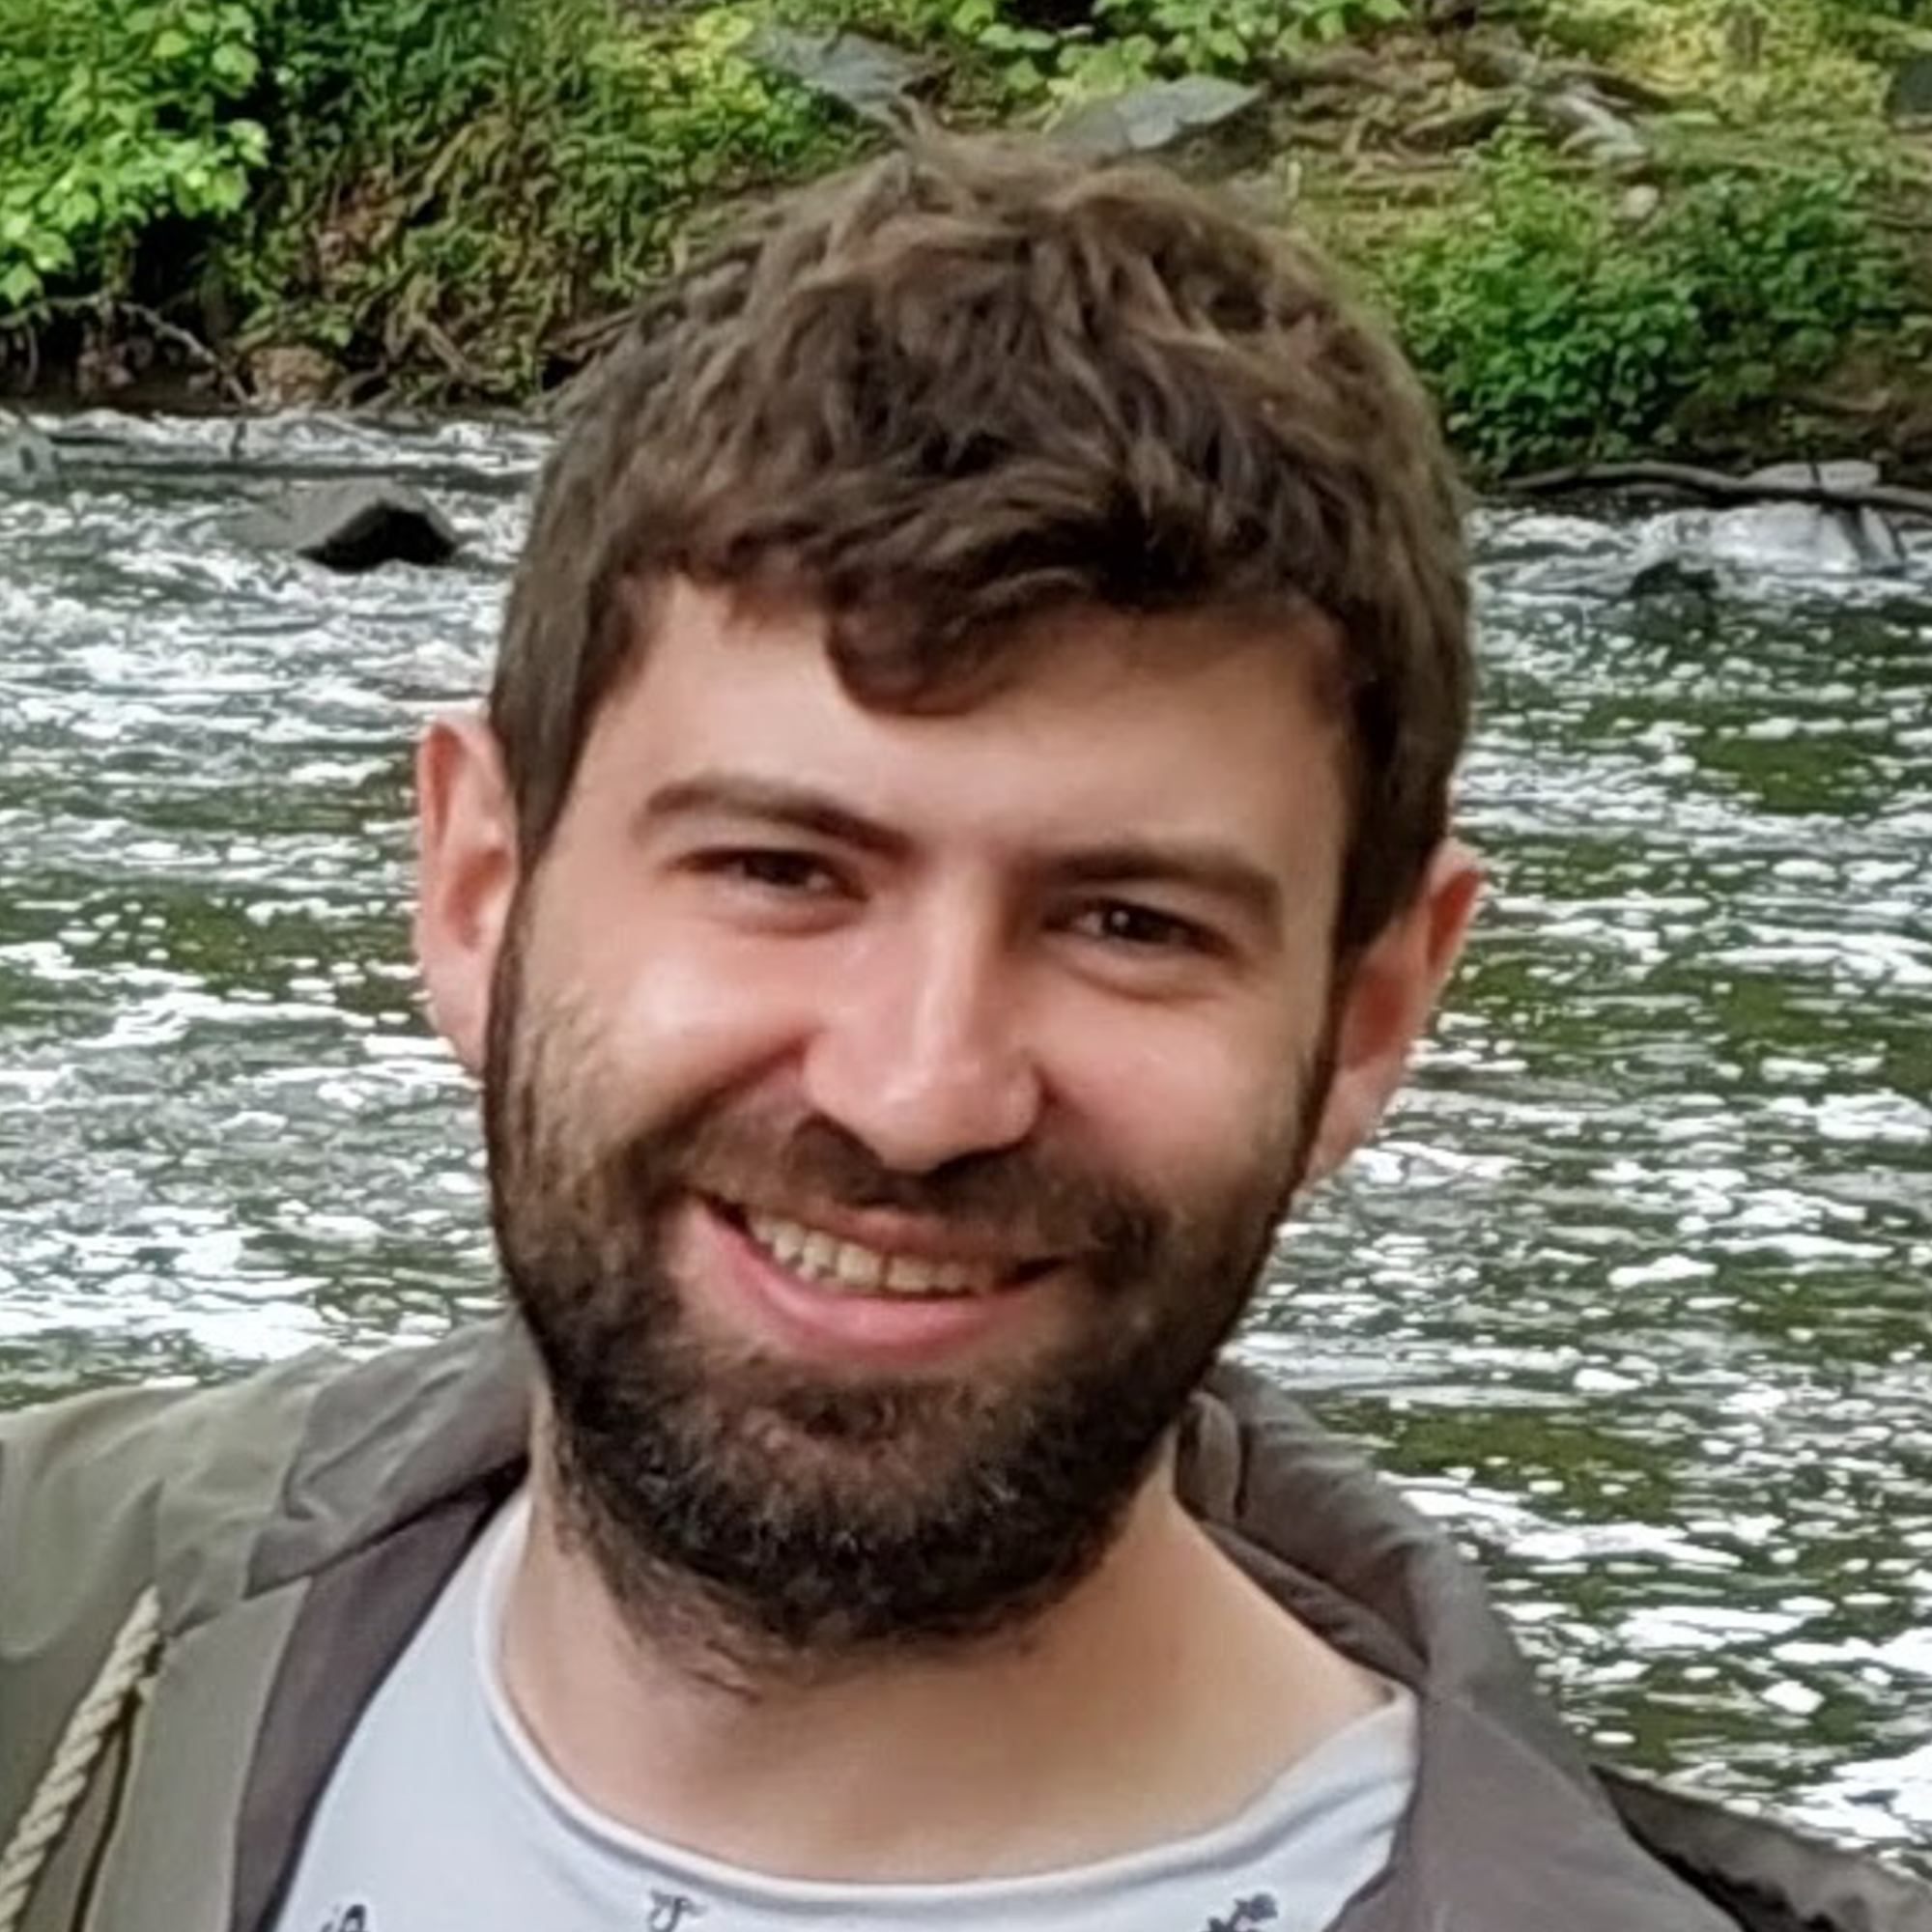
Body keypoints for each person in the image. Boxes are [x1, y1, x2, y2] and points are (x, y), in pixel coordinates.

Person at [0, 134, 1923, 1932]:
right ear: (479, 885)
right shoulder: (60, 1636)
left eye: (1127, 922)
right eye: (778, 868)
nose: (918, 1093)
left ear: (1367, 1014)